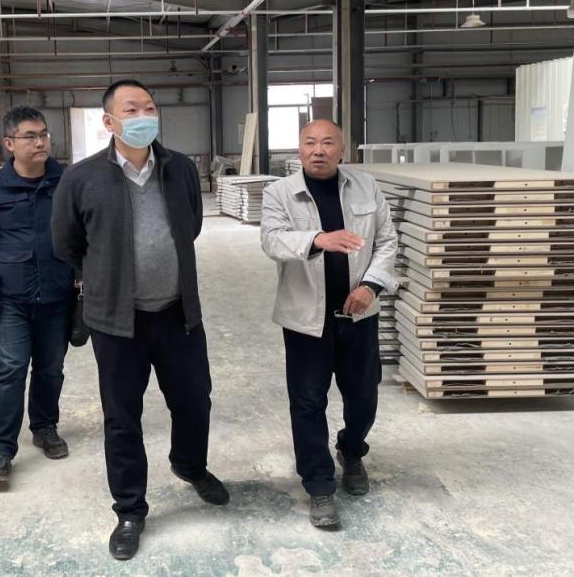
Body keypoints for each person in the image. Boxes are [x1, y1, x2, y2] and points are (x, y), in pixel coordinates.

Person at [52, 80, 228, 561]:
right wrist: (105, 275)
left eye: (149, 106)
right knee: (122, 417)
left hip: (177, 313)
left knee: (194, 400)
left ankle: (189, 465)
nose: (144, 115)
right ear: (109, 121)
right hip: (117, 322)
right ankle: (130, 509)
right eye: (131, 109)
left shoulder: (180, 169)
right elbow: (66, 243)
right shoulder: (82, 178)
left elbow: (191, 225)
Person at [260, 119, 398, 530]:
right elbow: (272, 240)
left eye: (327, 142)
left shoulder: (366, 187)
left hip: (359, 315)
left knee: (363, 397)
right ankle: (319, 484)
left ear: (342, 149)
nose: (318, 150)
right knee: (307, 403)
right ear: (299, 149)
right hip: (306, 321)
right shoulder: (279, 193)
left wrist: (371, 286)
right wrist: (317, 239)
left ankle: (351, 450)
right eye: (309, 142)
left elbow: (387, 241)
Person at [0, 106, 75, 489]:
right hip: (10, 298)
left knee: (51, 368)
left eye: (44, 134)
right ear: (10, 143)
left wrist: (83, 281)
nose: (41, 142)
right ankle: (0, 448)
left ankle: (45, 427)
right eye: (30, 136)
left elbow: (84, 233)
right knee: (10, 369)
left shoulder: (66, 181)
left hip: (58, 294)